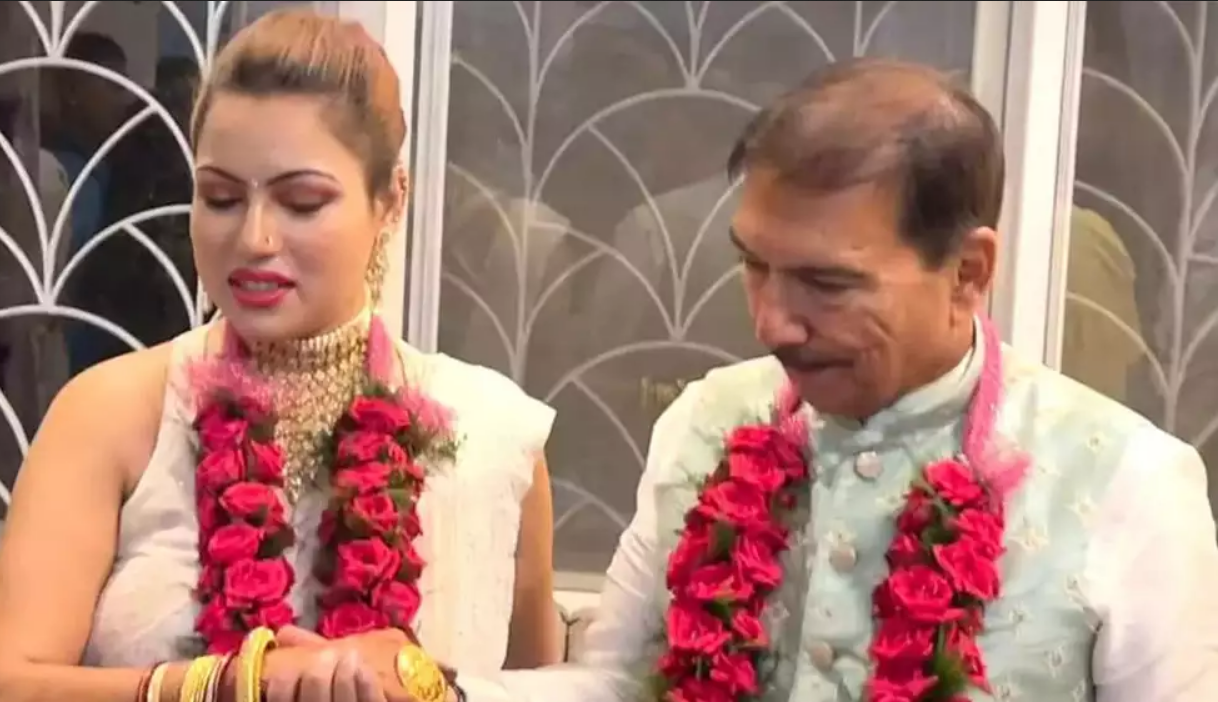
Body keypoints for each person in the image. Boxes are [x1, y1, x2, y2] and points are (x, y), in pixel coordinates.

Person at [378, 59, 1218, 701]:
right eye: (755, 266)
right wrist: (426, 687)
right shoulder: (710, 422)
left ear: (967, 272)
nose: (773, 322)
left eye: (827, 283)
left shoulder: (1129, 483)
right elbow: (621, 686)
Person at [0, 9, 561, 702]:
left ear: (390, 200)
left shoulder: (493, 435)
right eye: (220, 197)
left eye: (301, 202)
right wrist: (230, 683)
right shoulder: (112, 414)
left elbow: (536, 691)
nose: (253, 238)